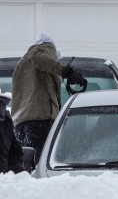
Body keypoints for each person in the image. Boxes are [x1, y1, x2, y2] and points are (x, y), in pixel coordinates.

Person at [10, 33, 85, 168]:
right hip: (40, 120)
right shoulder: (43, 50)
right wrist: (65, 71)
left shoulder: (22, 64)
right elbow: (38, 57)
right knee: (42, 165)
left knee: (26, 166)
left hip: (21, 122)